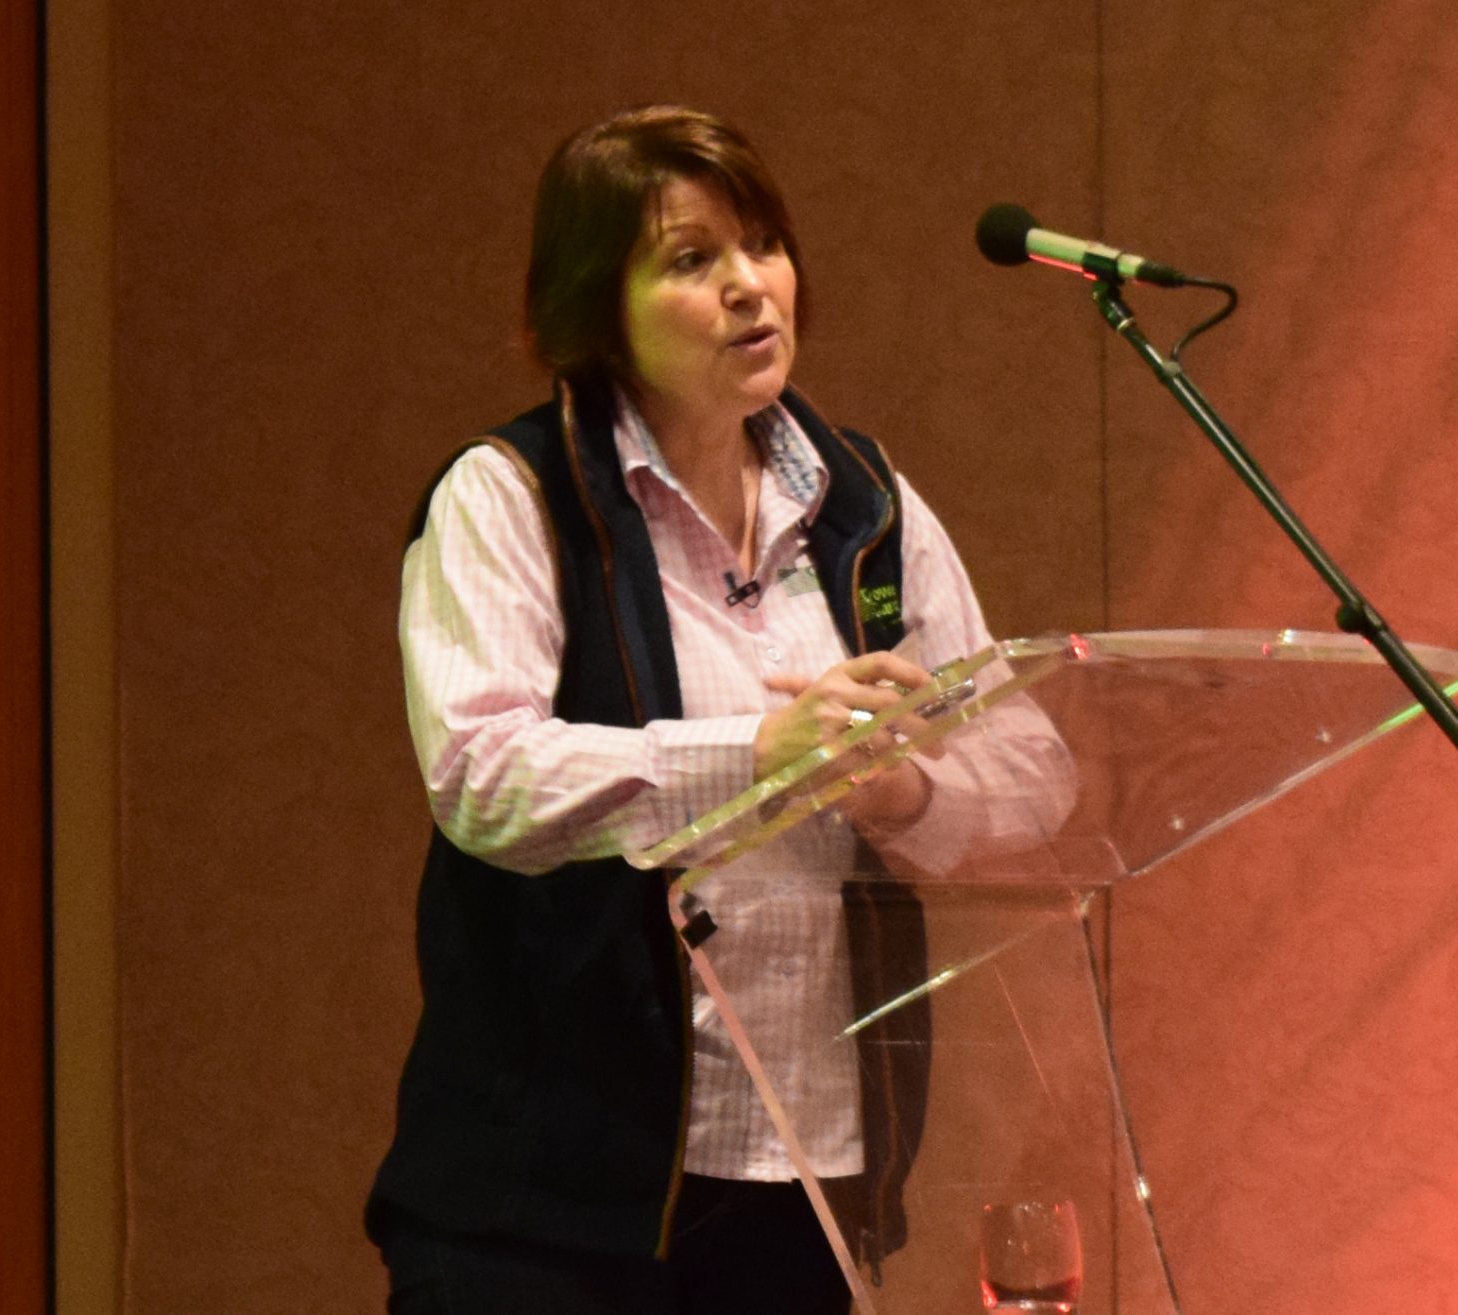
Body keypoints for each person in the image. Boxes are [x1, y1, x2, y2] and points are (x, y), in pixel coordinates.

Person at [366, 103, 1045, 1314]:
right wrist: (761, 753)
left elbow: (1034, 773)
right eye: (691, 259)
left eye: (762, 244)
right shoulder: (513, 494)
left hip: (810, 1178)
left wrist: (900, 790)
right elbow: (481, 775)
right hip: (552, 1205)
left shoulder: (866, 509)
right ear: (596, 304)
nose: (749, 285)